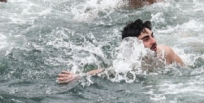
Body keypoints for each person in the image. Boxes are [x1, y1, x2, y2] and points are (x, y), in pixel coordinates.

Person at [57, 18, 185, 83]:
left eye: (152, 35)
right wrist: (79, 76)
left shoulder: (165, 53)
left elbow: (187, 70)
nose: (153, 41)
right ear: (133, 45)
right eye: (146, 39)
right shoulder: (129, 64)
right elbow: (105, 71)